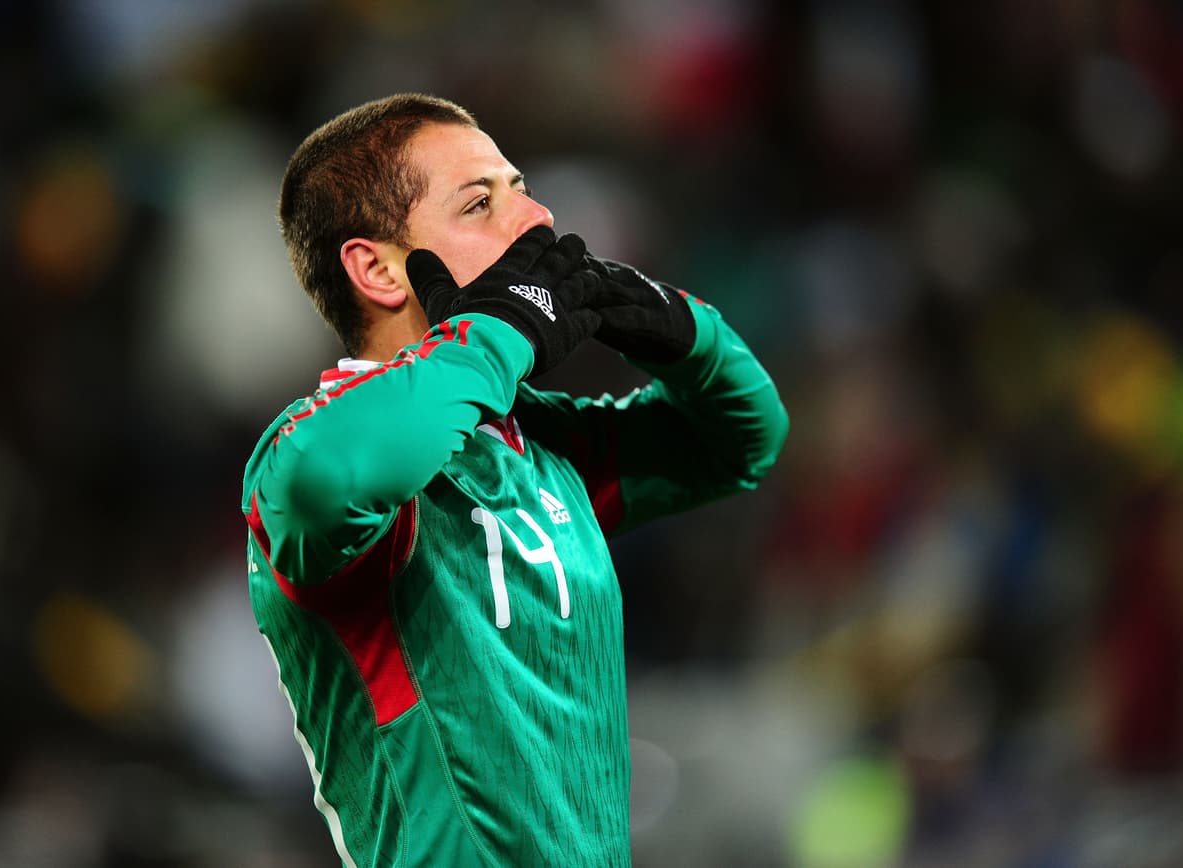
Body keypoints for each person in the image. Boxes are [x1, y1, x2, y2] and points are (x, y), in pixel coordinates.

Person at [241, 92, 789, 867]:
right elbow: (330, 482)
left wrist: (675, 327)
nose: (536, 220)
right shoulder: (309, 446)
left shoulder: (539, 442)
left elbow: (743, 441)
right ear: (377, 269)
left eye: (521, 187)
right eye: (479, 203)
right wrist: (499, 331)